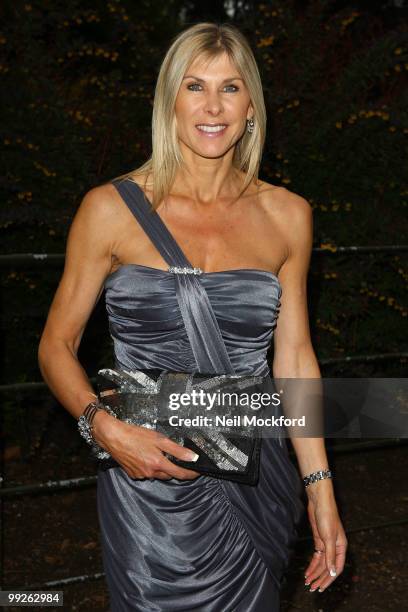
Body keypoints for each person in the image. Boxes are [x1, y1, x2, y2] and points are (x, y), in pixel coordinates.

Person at [38, 22, 347, 611]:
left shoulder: (288, 215)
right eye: (194, 87)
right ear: (169, 101)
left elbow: (295, 357)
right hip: (146, 475)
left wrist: (320, 487)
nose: (212, 106)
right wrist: (103, 426)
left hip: (255, 470)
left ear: (250, 104)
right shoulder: (110, 209)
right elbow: (56, 344)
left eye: (230, 88)